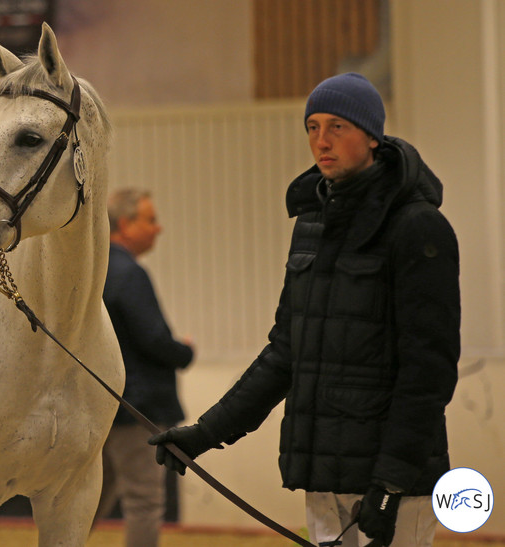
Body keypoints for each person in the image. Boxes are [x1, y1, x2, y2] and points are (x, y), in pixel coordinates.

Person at [149, 73, 460, 547]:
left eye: (337, 126)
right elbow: (284, 354)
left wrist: (392, 481)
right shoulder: (312, 225)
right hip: (322, 474)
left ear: (372, 135)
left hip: (395, 484)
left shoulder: (419, 227)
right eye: (312, 127)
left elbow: (428, 371)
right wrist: (204, 435)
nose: (321, 141)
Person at [95, 188, 195, 547]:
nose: (158, 229)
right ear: (125, 224)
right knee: (144, 499)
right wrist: (183, 352)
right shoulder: (130, 273)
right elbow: (152, 339)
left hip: (103, 404)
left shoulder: (96, 269)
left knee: (93, 497)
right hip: (138, 407)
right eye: (150, 220)